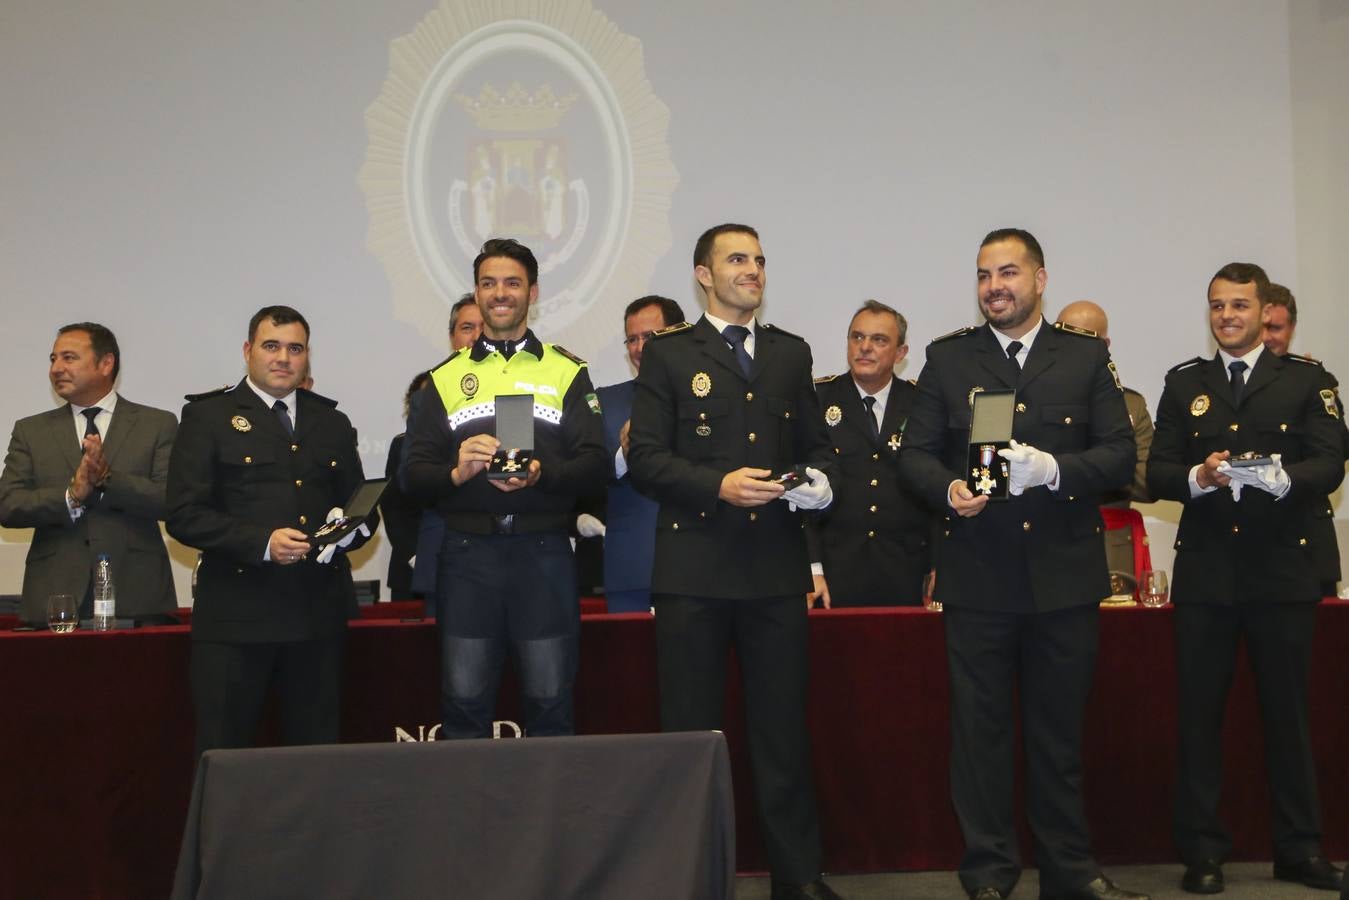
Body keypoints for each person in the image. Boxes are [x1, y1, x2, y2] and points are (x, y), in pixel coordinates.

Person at [897, 228, 1144, 900]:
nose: (993, 287)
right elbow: (914, 455)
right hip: (978, 579)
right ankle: (987, 873)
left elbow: (1120, 456)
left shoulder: (1084, 359)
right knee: (979, 739)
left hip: (1062, 577)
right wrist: (948, 489)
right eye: (983, 275)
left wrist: (1054, 468)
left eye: (1007, 272)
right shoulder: (948, 360)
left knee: (1057, 737)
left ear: (1039, 279)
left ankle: (1069, 872)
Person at [628, 223, 842, 900]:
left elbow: (818, 448)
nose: (752, 270)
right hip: (693, 570)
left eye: (757, 260)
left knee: (783, 734)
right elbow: (646, 459)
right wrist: (715, 485)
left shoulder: (788, 353)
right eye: (737, 260)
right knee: (689, 737)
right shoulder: (668, 354)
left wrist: (816, 482)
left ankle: (797, 877)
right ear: (703, 273)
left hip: (774, 571)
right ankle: (687, 880)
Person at [1148, 263, 1345, 895]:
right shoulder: (1186, 384)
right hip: (1207, 574)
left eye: (1239, 305)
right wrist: (1197, 479)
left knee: (1287, 717)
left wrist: (1292, 480)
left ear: (1265, 312)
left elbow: (1332, 456)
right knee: (1199, 718)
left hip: (1281, 570)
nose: (1227, 316)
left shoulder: (1306, 380)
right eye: (1216, 306)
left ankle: (1299, 848)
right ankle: (1203, 852)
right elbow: (1158, 471)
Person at [403, 238, 606, 740]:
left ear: (532, 292)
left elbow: (596, 467)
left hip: (545, 555)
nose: (500, 293)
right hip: (468, 556)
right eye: (489, 283)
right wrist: (456, 471)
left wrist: (544, 473)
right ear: (476, 291)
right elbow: (412, 476)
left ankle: (549, 820)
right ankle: (468, 820)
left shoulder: (568, 371)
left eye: (512, 283)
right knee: (464, 706)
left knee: (550, 702)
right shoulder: (444, 379)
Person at [166, 306, 373, 756]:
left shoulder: (330, 421)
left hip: (317, 617)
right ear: (248, 351)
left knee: (316, 758)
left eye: (295, 348)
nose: (283, 358)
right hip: (237, 619)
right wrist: (261, 543)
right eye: (272, 346)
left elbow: (363, 507)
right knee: (226, 757)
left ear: (307, 357)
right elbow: (183, 513)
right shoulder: (208, 417)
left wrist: (350, 531)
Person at [0, 322, 178, 626]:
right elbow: (8, 505)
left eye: (69, 358)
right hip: (53, 596)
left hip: (137, 594)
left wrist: (108, 479)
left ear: (106, 363)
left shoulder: (156, 424)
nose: (56, 368)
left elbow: (171, 499)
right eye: (53, 359)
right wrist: (70, 496)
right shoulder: (31, 431)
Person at [807, 300, 932, 606]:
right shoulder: (817, 399)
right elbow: (802, 492)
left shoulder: (922, 403)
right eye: (857, 337)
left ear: (900, 353)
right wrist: (811, 567)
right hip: (834, 571)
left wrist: (938, 564)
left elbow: (935, 490)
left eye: (879, 340)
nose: (864, 347)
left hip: (907, 569)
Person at [586, 294, 686, 612]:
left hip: (701, 567)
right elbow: (586, 476)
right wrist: (623, 456)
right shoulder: (605, 401)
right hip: (632, 567)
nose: (640, 348)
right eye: (632, 339)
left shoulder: (708, 398)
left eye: (651, 337)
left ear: (678, 336)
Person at [1262, 282, 1346, 596]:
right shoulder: (1226, 380)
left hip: (1307, 541)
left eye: (1276, 328)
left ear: (1292, 328)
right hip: (1246, 545)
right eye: (1262, 327)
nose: (1267, 337)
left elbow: (1336, 454)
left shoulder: (1313, 378)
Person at [403, 293, 487, 602]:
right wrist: (455, 472)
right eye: (467, 327)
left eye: (484, 326)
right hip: (445, 548)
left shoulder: (520, 385)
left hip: (512, 551)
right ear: (453, 337)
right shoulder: (430, 392)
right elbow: (409, 478)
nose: (477, 335)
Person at [1055, 300, 1153, 505]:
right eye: (1064, 339)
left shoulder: (1130, 405)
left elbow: (1148, 484)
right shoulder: (1030, 398)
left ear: (1105, 346)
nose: (1072, 350)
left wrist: (1100, 463)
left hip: (1109, 532)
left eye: (1083, 340)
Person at [381, 371, 431, 600]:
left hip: (459, 566)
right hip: (409, 568)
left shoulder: (465, 447)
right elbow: (392, 508)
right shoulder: (401, 445)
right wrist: (413, 556)